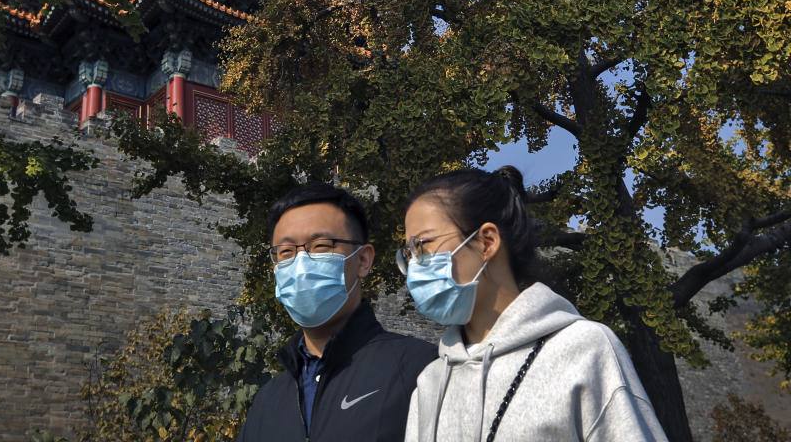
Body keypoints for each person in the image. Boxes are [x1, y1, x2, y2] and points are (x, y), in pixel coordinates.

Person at [399, 167, 668, 442]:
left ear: (487, 242)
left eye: (423, 246)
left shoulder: (585, 349)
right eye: (408, 253)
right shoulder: (430, 383)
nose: (415, 266)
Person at [238, 183, 437, 442]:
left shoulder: (419, 369)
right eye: (286, 252)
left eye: (320, 246)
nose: (300, 264)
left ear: (363, 260)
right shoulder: (268, 401)